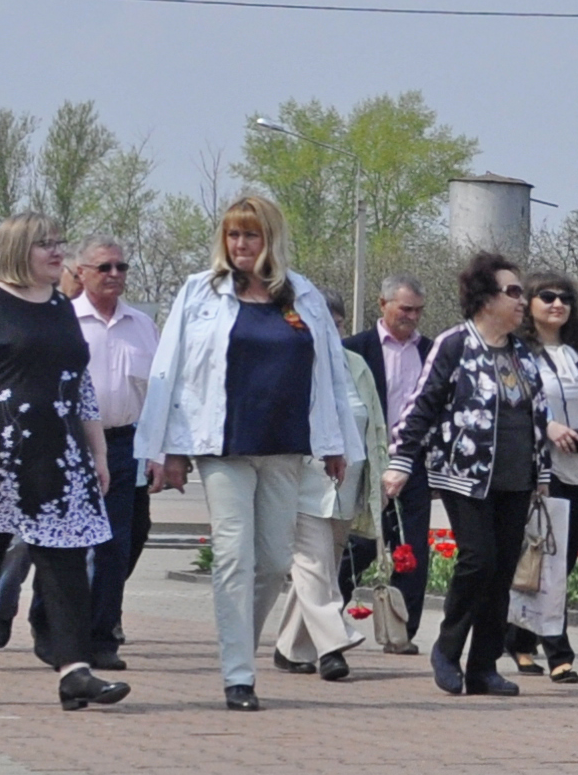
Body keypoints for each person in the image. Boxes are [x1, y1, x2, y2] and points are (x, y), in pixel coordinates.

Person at [137, 194, 362, 712]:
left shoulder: (300, 295)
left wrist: (336, 445)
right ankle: (238, 673)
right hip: (223, 444)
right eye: (234, 235)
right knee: (235, 555)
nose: (241, 245)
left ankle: (242, 640)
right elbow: (169, 372)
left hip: (285, 446)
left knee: (275, 560)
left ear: (271, 240)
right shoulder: (200, 291)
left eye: (252, 235)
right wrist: (164, 450)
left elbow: (329, 373)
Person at [0, 213, 129, 713]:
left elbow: (78, 382)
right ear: (18, 248)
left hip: (57, 460)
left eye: (60, 243)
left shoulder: (61, 305)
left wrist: (98, 451)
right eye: (46, 245)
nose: (58, 252)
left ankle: (74, 673)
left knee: (65, 568)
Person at [383, 251, 552, 698]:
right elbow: (421, 405)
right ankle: (447, 648)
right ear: (484, 298)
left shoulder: (524, 354)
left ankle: (483, 667)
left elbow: (538, 414)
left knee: (500, 574)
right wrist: (401, 461)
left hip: (517, 478)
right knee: (478, 560)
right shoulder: (455, 344)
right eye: (513, 292)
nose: (522, 301)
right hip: (466, 475)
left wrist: (543, 473)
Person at [505, 271, 578, 682]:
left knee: (559, 561)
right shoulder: (519, 350)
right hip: (544, 466)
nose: (557, 304)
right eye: (547, 297)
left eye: (565, 298)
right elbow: (520, 402)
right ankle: (559, 653)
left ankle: (518, 639)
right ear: (530, 306)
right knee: (550, 560)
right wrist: (550, 426)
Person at [270, 338, 386, 680]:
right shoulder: (289, 359)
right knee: (314, 563)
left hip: (346, 482)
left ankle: (289, 648)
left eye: (333, 324)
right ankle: (333, 644)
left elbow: (374, 419)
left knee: (322, 567)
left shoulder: (355, 365)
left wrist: (381, 471)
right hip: (300, 479)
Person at [340, 274, 432, 652]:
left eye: (417, 311)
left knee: (412, 551)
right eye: (404, 309)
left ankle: (401, 634)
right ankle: (325, 618)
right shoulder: (356, 350)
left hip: (413, 462)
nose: (411, 317)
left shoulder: (430, 351)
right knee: (360, 545)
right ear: (383, 304)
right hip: (367, 460)